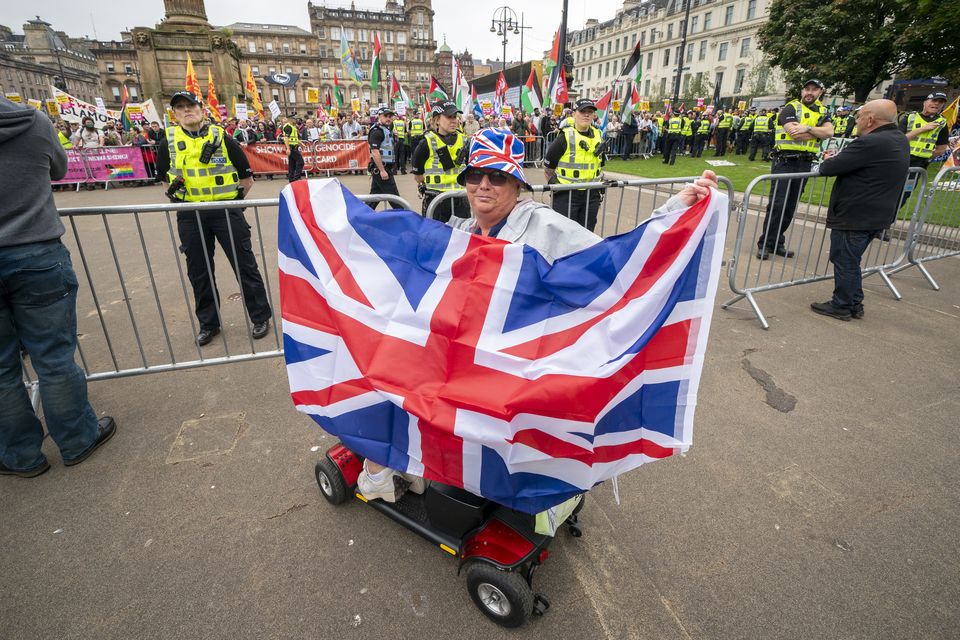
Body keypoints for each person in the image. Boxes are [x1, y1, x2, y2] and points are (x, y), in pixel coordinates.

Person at [356, 127, 720, 501]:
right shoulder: (460, 228)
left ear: (517, 185)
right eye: (475, 176)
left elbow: (614, 263)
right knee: (390, 367)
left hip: (514, 369)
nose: (483, 185)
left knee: (410, 380)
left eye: (497, 177)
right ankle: (395, 464)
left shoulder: (544, 226)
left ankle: (385, 469)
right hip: (467, 358)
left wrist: (674, 211)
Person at [0, 94, 116, 477]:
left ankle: (20, 455)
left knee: (2, 370)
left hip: (32, 253)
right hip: (35, 251)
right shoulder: (32, 122)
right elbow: (59, 168)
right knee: (53, 357)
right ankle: (77, 438)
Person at [155, 90, 272, 346]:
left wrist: (233, 205)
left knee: (245, 265)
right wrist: (179, 201)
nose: (187, 110)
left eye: (191, 105)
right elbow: (164, 180)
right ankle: (209, 324)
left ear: (201, 109)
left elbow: (247, 177)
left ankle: (260, 317)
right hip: (190, 215)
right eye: (181, 107)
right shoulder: (168, 142)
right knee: (199, 271)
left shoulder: (223, 138)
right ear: (174, 114)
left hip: (225, 212)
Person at [810, 100, 909, 320]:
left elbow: (829, 167)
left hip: (856, 215)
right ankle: (854, 303)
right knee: (851, 260)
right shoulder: (898, 139)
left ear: (870, 119)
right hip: (878, 214)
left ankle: (842, 305)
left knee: (845, 259)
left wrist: (830, 159)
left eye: (860, 115)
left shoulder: (870, 142)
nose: (857, 120)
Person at [757, 79, 834, 259]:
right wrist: (816, 133)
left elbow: (829, 133)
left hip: (804, 163)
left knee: (790, 207)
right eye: (807, 89)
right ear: (802, 91)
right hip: (784, 162)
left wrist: (806, 127)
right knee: (778, 205)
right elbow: (794, 134)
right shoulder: (791, 108)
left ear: (820, 93)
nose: (809, 92)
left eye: (814, 90)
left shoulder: (823, 111)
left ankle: (777, 242)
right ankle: (765, 244)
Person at [543, 98, 606, 232]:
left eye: (590, 112)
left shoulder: (598, 135)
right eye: (583, 111)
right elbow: (548, 168)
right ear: (574, 114)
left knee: (587, 235)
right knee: (563, 235)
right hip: (567, 195)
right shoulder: (565, 136)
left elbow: (600, 165)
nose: (587, 115)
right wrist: (555, 186)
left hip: (591, 195)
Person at [411, 100, 470, 222]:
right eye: (449, 117)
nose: (454, 120)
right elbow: (418, 176)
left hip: (460, 201)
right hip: (436, 201)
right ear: (437, 120)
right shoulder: (426, 143)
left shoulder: (465, 140)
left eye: (455, 117)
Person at [897, 91, 950, 211]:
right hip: (899, 161)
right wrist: (921, 129)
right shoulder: (910, 117)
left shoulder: (941, 123)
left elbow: (941, 149)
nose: (936, 104)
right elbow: (897, 140)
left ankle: (888, 223)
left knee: (904, 195)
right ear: (925, 102)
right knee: (887, 191)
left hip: (918, 166)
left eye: (940, 102)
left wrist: (924, 156)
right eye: (934, 100)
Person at [367, 106, 400, 203]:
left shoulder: (386, 130)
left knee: (373, 199)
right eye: (386, 116)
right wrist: (382, 170)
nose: (389, 118)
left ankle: (363, 216)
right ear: (379, 116)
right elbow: (375, 152)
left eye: (390, 116)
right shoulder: (377, 131)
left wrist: (395, 139)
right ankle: (405, 217)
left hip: (385, 168)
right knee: (396, 200)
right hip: (382, 169)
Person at [278, 115, 304, 183]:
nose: (295, 120)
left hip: (294, 147)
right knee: (301, 162)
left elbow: (294, 138)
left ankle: (291, 179)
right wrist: (288, 148)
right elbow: (286, 138)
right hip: (292, 148)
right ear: (290, 120)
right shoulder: (288, 126)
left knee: (292, 165)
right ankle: (296, 178)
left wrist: (301, 144)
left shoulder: (293, 127)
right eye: (294, 119)